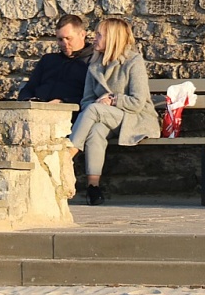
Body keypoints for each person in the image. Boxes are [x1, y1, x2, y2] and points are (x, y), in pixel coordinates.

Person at [68, 17, 160, 206]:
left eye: (99, 35)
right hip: (107, 117)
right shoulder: (95, 65)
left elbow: (138, 102)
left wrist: (112, 99)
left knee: (95, 109)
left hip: (136, 117)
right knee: (96, 131)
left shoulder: (133, 61)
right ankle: (93, 188)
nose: (94, 38)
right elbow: (86, 101)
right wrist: (100, 106)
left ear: (112, 38)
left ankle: (68, 154)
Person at [17, 15, 93, 106]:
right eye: (60, 39)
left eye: (68, 38)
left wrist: (63, 102)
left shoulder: (93, 62)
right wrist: (27, 100)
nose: (65, 44)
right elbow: (29, 88)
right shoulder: (48, 60)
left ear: (82, 35)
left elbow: (91, 97)